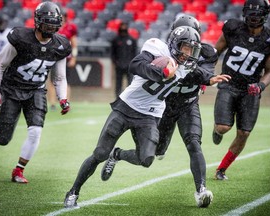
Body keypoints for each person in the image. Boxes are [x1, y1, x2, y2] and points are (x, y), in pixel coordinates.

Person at [64, 26, 201, 208]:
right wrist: (163, 72)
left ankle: (118, 154)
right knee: (99, 153)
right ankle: (73, 192)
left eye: (191, 49)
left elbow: (203, 72)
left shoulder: (187, 67)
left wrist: (211, 79)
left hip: (150, 116)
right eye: (185, 48)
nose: (188, 53)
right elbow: (135, 65)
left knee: (146, 159)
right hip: (126, 108)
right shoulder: (157, 48)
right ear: (175, 44)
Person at [0, 2, 71, 183]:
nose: (51, 27)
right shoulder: (21, 38)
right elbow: (0, 65)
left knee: (35, 132)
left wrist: (63, 98)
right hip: (12, 89)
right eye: (47, 23)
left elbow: (59, 77)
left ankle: (18, 170)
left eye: (53, 23)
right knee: (2, 139)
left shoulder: (61, 45)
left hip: (37, 91)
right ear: (38, 22)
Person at [155, 15, 231, 208]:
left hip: (188, 104)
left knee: (193, 144)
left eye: (192, 42)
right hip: (165, 104)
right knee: (156, 151)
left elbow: (203, 74)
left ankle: (201, 190)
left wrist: (189, 69)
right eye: (182, 43)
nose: (187, 47)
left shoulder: (206, 53)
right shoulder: (163, 50)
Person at [212, 0, 270, 180]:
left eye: (257, 14)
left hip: (250, 90)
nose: (253, 18)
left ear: (265, 15)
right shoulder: (233, 28)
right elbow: (215, 52)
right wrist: (207, 74)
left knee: (244, 132)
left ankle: (221, 169)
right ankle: (216, 131)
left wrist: (260, 85)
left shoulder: (269, 39)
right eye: (251, 13)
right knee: (223, 127)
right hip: (228, 84)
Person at [47, 8, 78, 110]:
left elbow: (74, 45)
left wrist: (74, 58)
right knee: (52, 81)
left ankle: (66, 101)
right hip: (53, 56)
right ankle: (52, 103)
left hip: (66, 57)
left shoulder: (70, 27)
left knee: (66, 80)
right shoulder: (53, 26)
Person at [111, 22, 137, 99]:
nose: (123, 28)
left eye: (125, 26)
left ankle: (130, 98)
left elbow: (134, 53)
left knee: (130, 83)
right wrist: (116, 63)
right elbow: (113, 53)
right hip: (119, 66)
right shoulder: (115, 40)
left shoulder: (132, 40)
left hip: (129, 66)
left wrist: (132, 64)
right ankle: (118, 99)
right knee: (118, 84)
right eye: (122, 26)